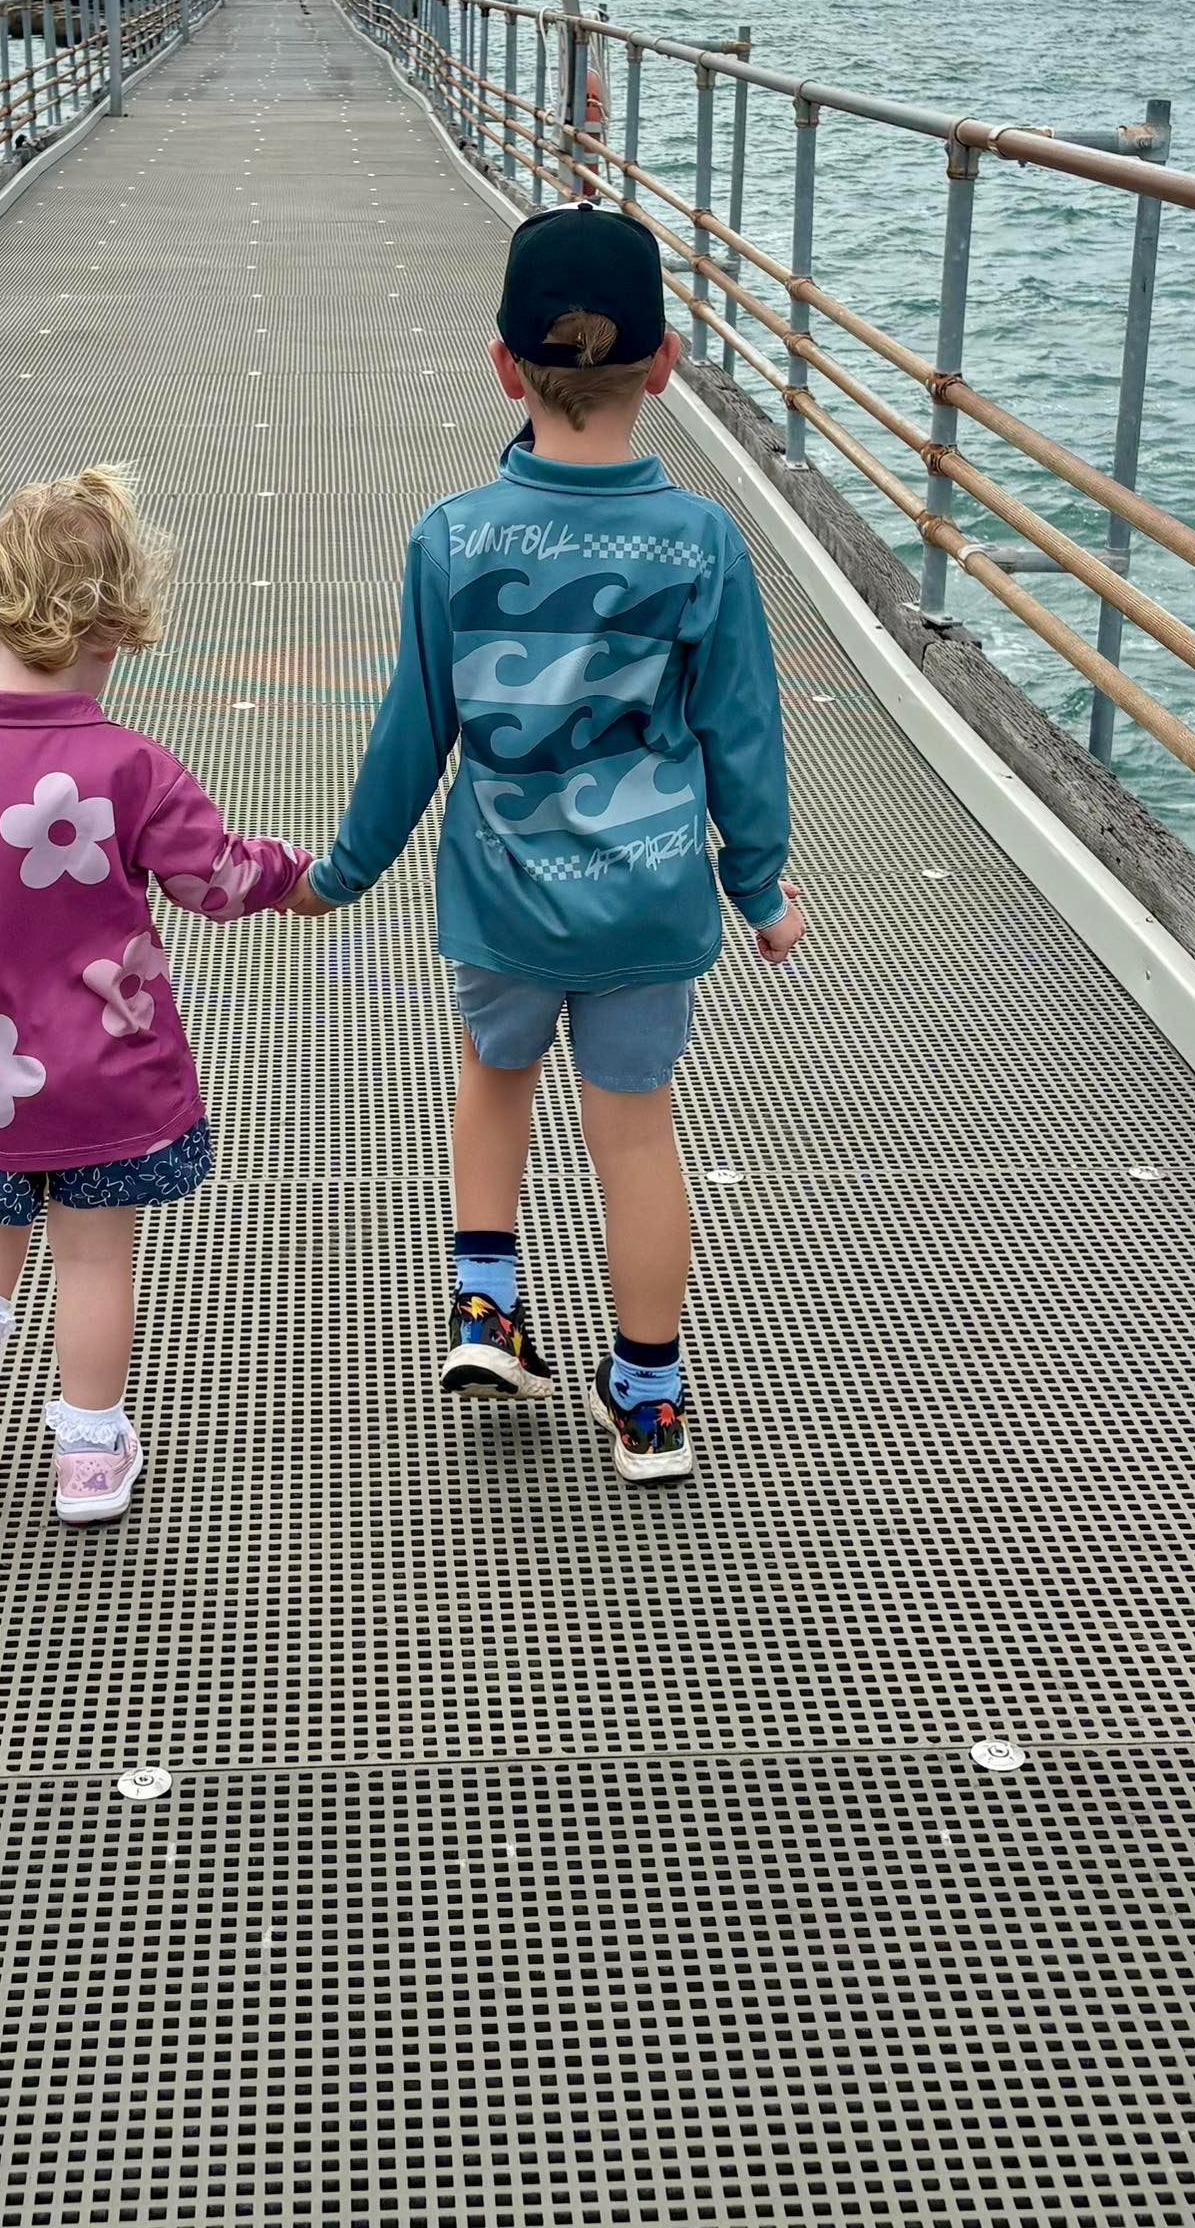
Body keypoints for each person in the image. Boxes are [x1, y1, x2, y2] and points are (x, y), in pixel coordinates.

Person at [288, 203, 805, 1484]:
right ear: (668, 363)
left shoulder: (452, 537)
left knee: (493, 1080)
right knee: (634, 1132)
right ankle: (646, 1403)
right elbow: (743, 735)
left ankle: (485, 1303)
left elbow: (416, 732)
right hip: (647, 903)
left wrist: (341, 871)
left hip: (504, 893)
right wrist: (760, 887)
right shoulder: (703, 545)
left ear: (504, 366)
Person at [0, 467, 308, 1526]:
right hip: (105, 1085)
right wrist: (297, 875)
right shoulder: (130, 767)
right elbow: (212, 879)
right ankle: (89, 1457)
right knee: (93, 1258)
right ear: (123, 631)